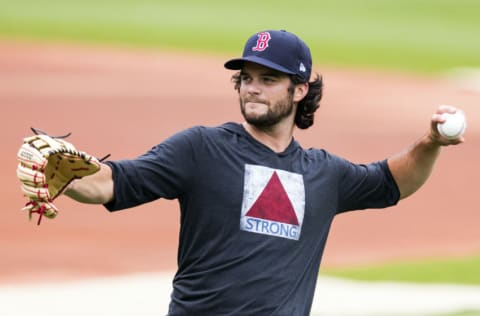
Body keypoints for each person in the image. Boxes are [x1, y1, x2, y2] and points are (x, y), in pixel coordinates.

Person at [63, 30, 464, 315]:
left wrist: (430, 143)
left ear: (300, 89)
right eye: (247, 78)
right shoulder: (200, 149)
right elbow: (111, 182)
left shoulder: (323, 174)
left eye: (268, 79)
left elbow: (392, 182)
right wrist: (61, 169)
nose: (252, 88)